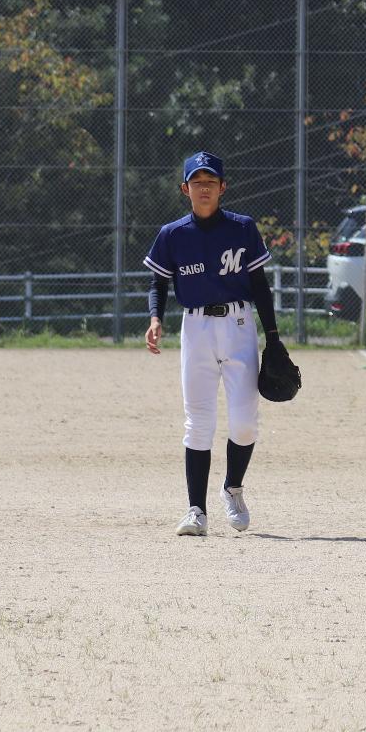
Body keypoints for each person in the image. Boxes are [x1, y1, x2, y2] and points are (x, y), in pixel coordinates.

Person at [143, 151, 279, 536]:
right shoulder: (173, 235)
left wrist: (273, 337)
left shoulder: (243, 228)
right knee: (198, 422)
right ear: (185, 188)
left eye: (211, 182)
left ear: (223, 187)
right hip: (196, 329)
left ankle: (232, 488)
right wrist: (156, 318)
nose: (204, 189)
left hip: (238, 326)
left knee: (245, 422)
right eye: (197, 182)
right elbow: (159, 281)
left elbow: (259, 286)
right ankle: (196, 511)